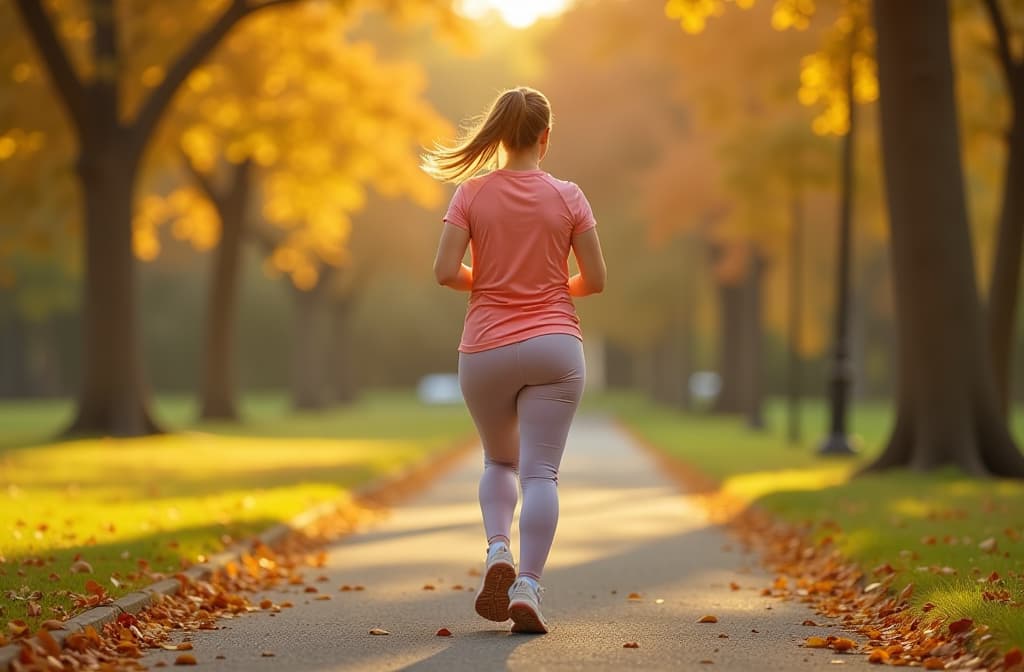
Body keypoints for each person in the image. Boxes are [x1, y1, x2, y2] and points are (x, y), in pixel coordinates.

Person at [423, 86, 607, 634]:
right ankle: (527, 584)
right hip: (555, 345)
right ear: (545, 137)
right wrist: (547, 288)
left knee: (498, 463)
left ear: (499, 136)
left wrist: (495, 281)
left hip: (485, 349)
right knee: (541, 474)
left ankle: (498, 549)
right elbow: (595, 281)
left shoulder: (471, 195)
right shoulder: (570, 196)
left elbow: (443, 271)